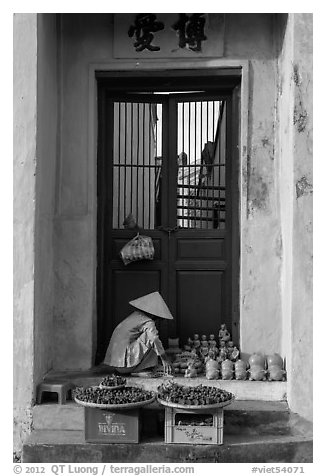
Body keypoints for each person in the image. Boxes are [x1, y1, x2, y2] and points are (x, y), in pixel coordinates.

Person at [103, 291, 173, 375]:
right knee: (152, 337)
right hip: (126, 367)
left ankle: (139, 368)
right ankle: (140, 370)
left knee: (152, 337)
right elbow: (154, 339)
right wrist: (165, 359)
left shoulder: (134, 316)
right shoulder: (148, 321)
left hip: (117, 366)